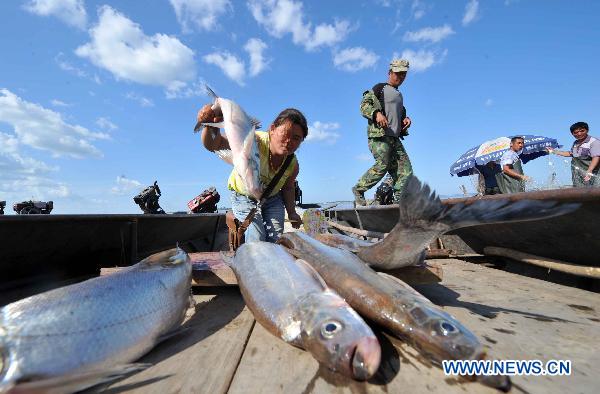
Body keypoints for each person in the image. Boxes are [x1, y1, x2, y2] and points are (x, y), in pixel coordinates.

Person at [197, 105, 307, 242]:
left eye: (296, 138)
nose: (289, 141)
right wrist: (209, 126)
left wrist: (292, 212)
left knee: (276, 237)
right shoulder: (253, 140)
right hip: (243, 195)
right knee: (257, 236)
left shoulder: (293, 164)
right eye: (285, 133)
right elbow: (214, 144)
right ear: (272, 129)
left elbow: (288, 187)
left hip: (271, 198)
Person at [352, 59, 413, 206]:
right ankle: (359, 189)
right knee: (383, 164)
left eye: (403, 74)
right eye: (397, 74)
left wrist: (406, 121)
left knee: (406, 171)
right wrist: (376, 114)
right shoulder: (380, 88)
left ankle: (399, 201)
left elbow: (398, 117)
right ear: (390, 73)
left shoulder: (399, 95)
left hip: (394, 139)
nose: (400, 77)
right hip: (380, 137)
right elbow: (364, 104)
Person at [546, 121, 600, 187]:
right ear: (572, 134)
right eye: (576, 132)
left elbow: (596, 157)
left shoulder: (594, 142)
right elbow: (571, 154)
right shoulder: (576, 143)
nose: (579, 134)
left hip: (594, 171)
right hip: (578, 172)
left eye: (582, 131)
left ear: (587, 130)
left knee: (595, 190)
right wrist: (554, 151)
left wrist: (589, 170)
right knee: (579, 191)